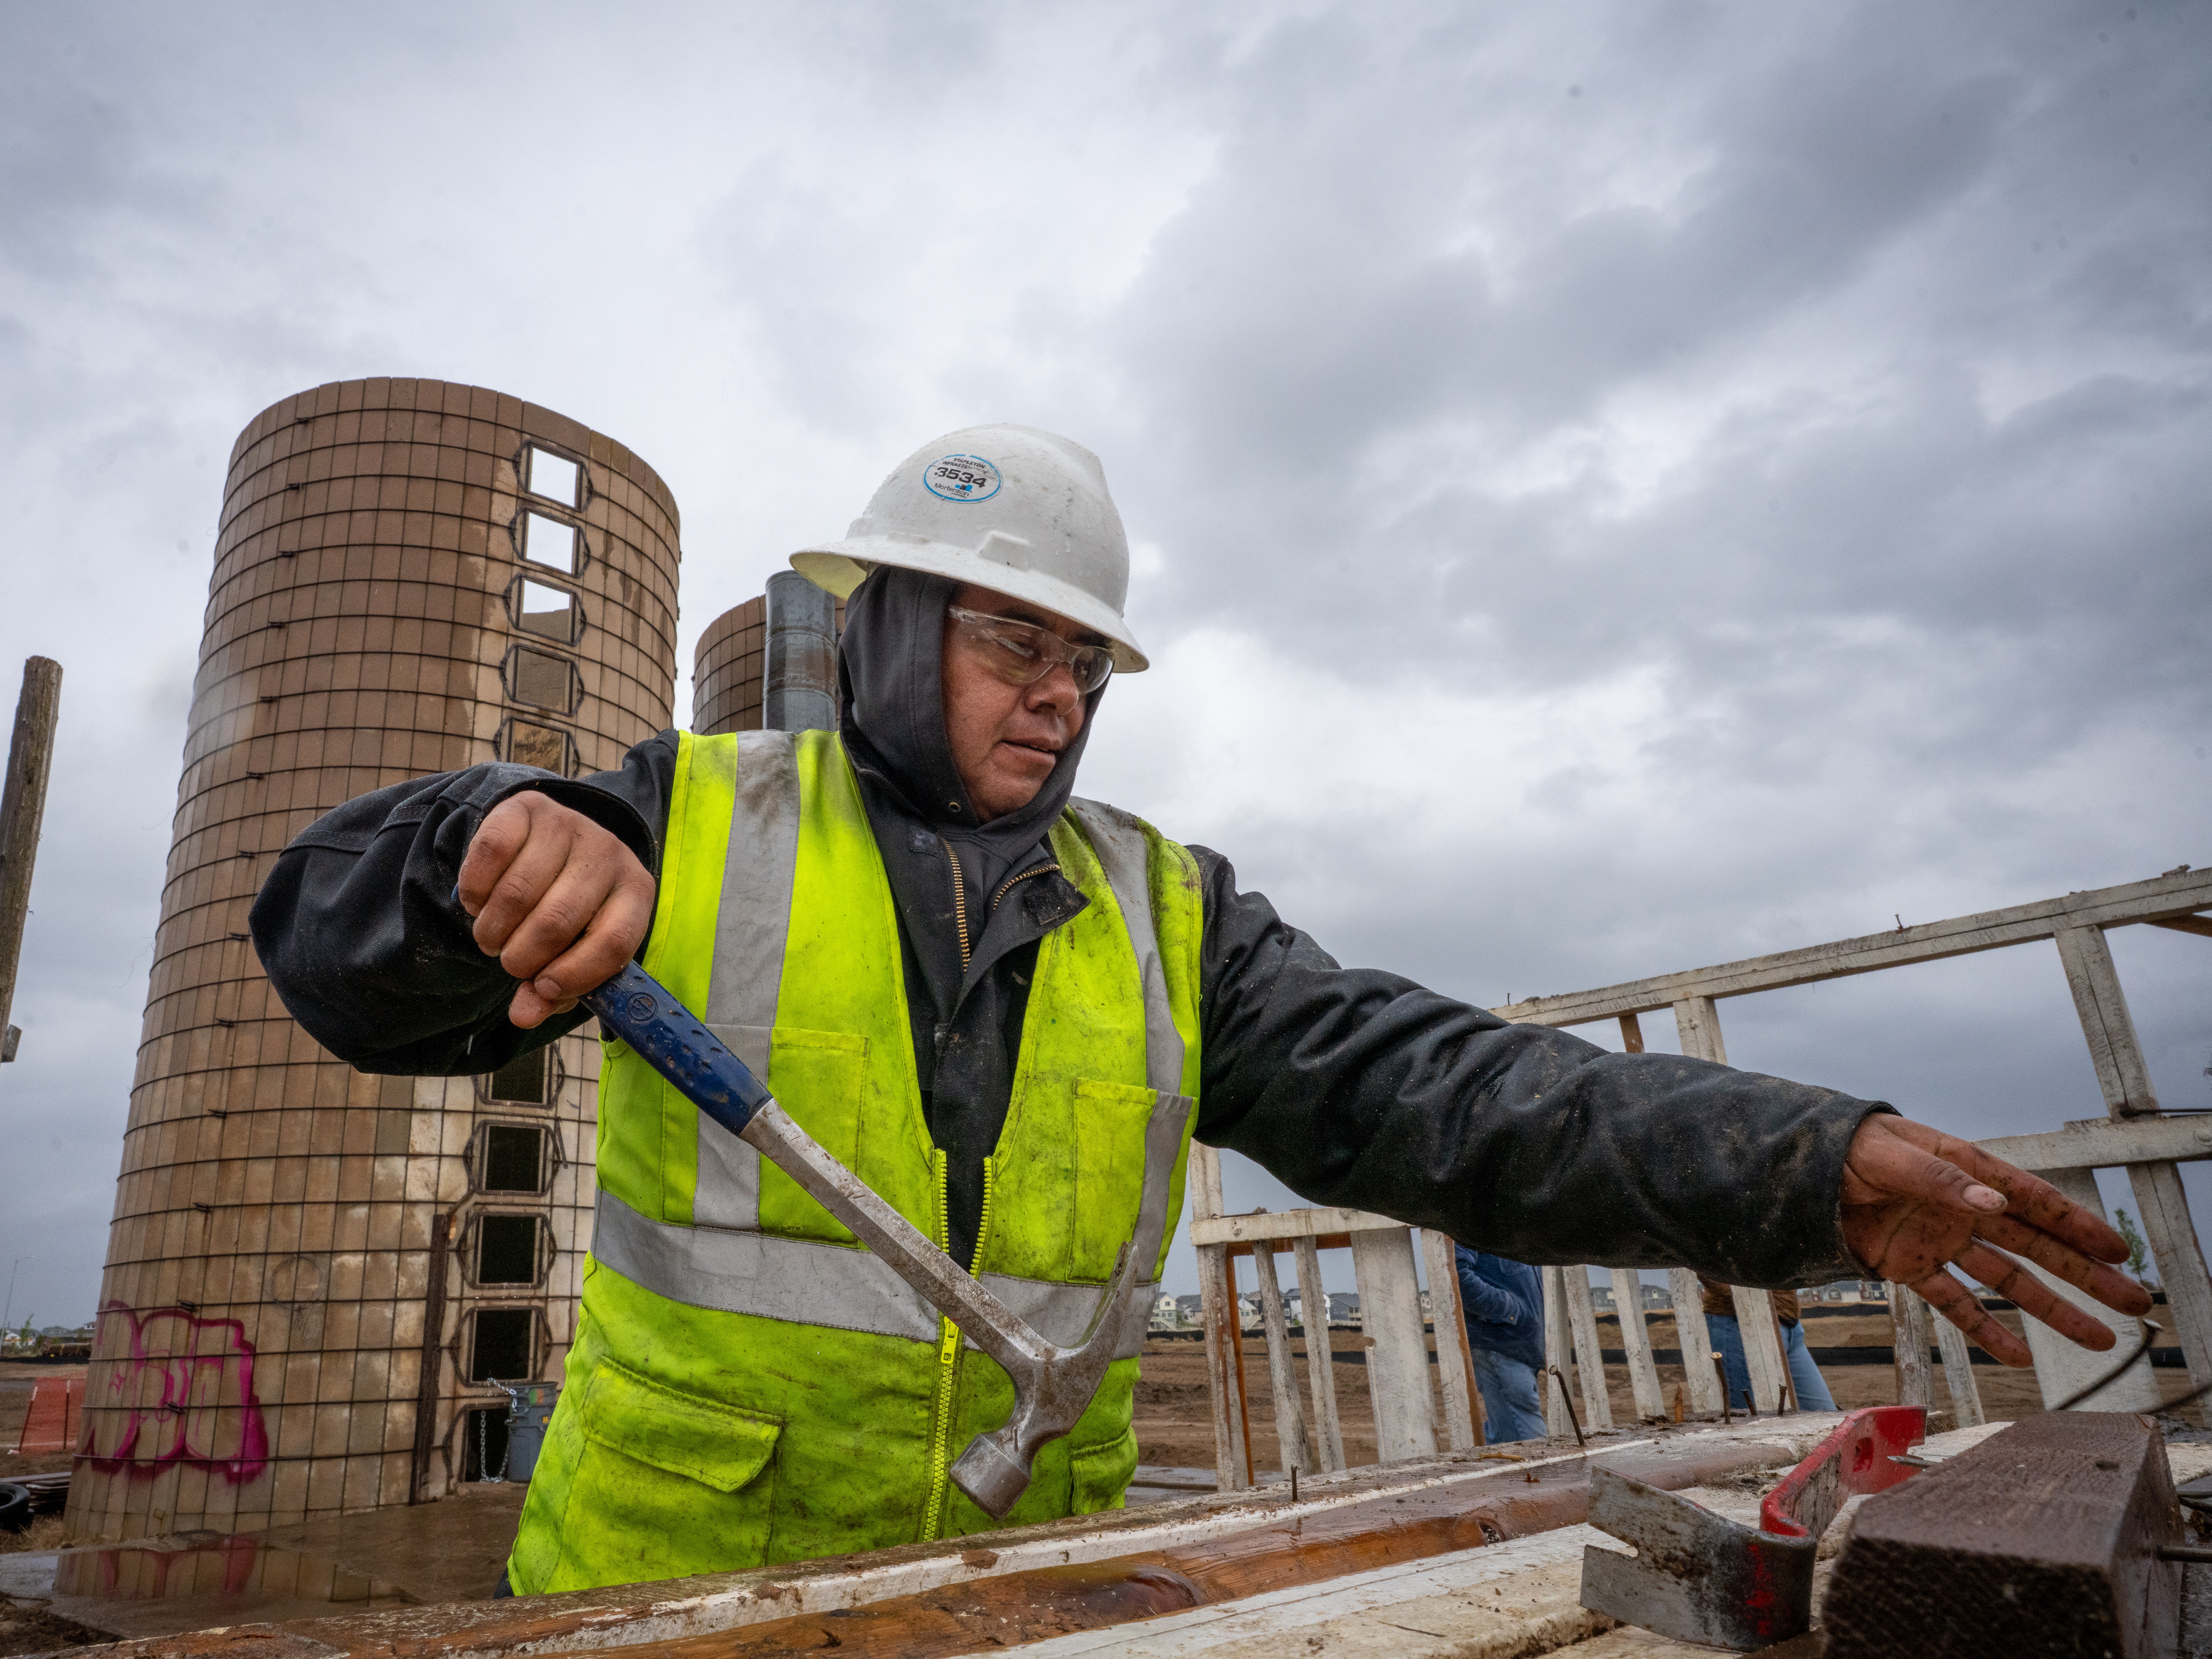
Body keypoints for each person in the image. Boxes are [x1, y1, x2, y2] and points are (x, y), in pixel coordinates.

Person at [253, 423, 2150, 1596]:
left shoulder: (1166, 912)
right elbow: (339, 949)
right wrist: (460, 841)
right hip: (672, 1600)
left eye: (1086, 661)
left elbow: (1446, 1095)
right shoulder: (687, 819)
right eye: (1018, 641)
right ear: (883, 629)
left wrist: (1801, 1160)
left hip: (1019, 1589)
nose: (1061, 695)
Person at [1699, 1278, 1837, 1413]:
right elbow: (1705, 1266)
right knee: (1751, 1421)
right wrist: (1752, 1306)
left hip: (1790, 1327)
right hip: (1739, 1326)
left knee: (1826, 1415)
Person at [1456, 1246, 1546, 1443]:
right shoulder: (1473, 1220)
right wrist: (1511, 1309)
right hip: (1500, 1345)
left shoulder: (1514, 1226)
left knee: (1508, 1435)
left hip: (1522, 1347)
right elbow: (1456, 1276)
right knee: (1528, 1443)